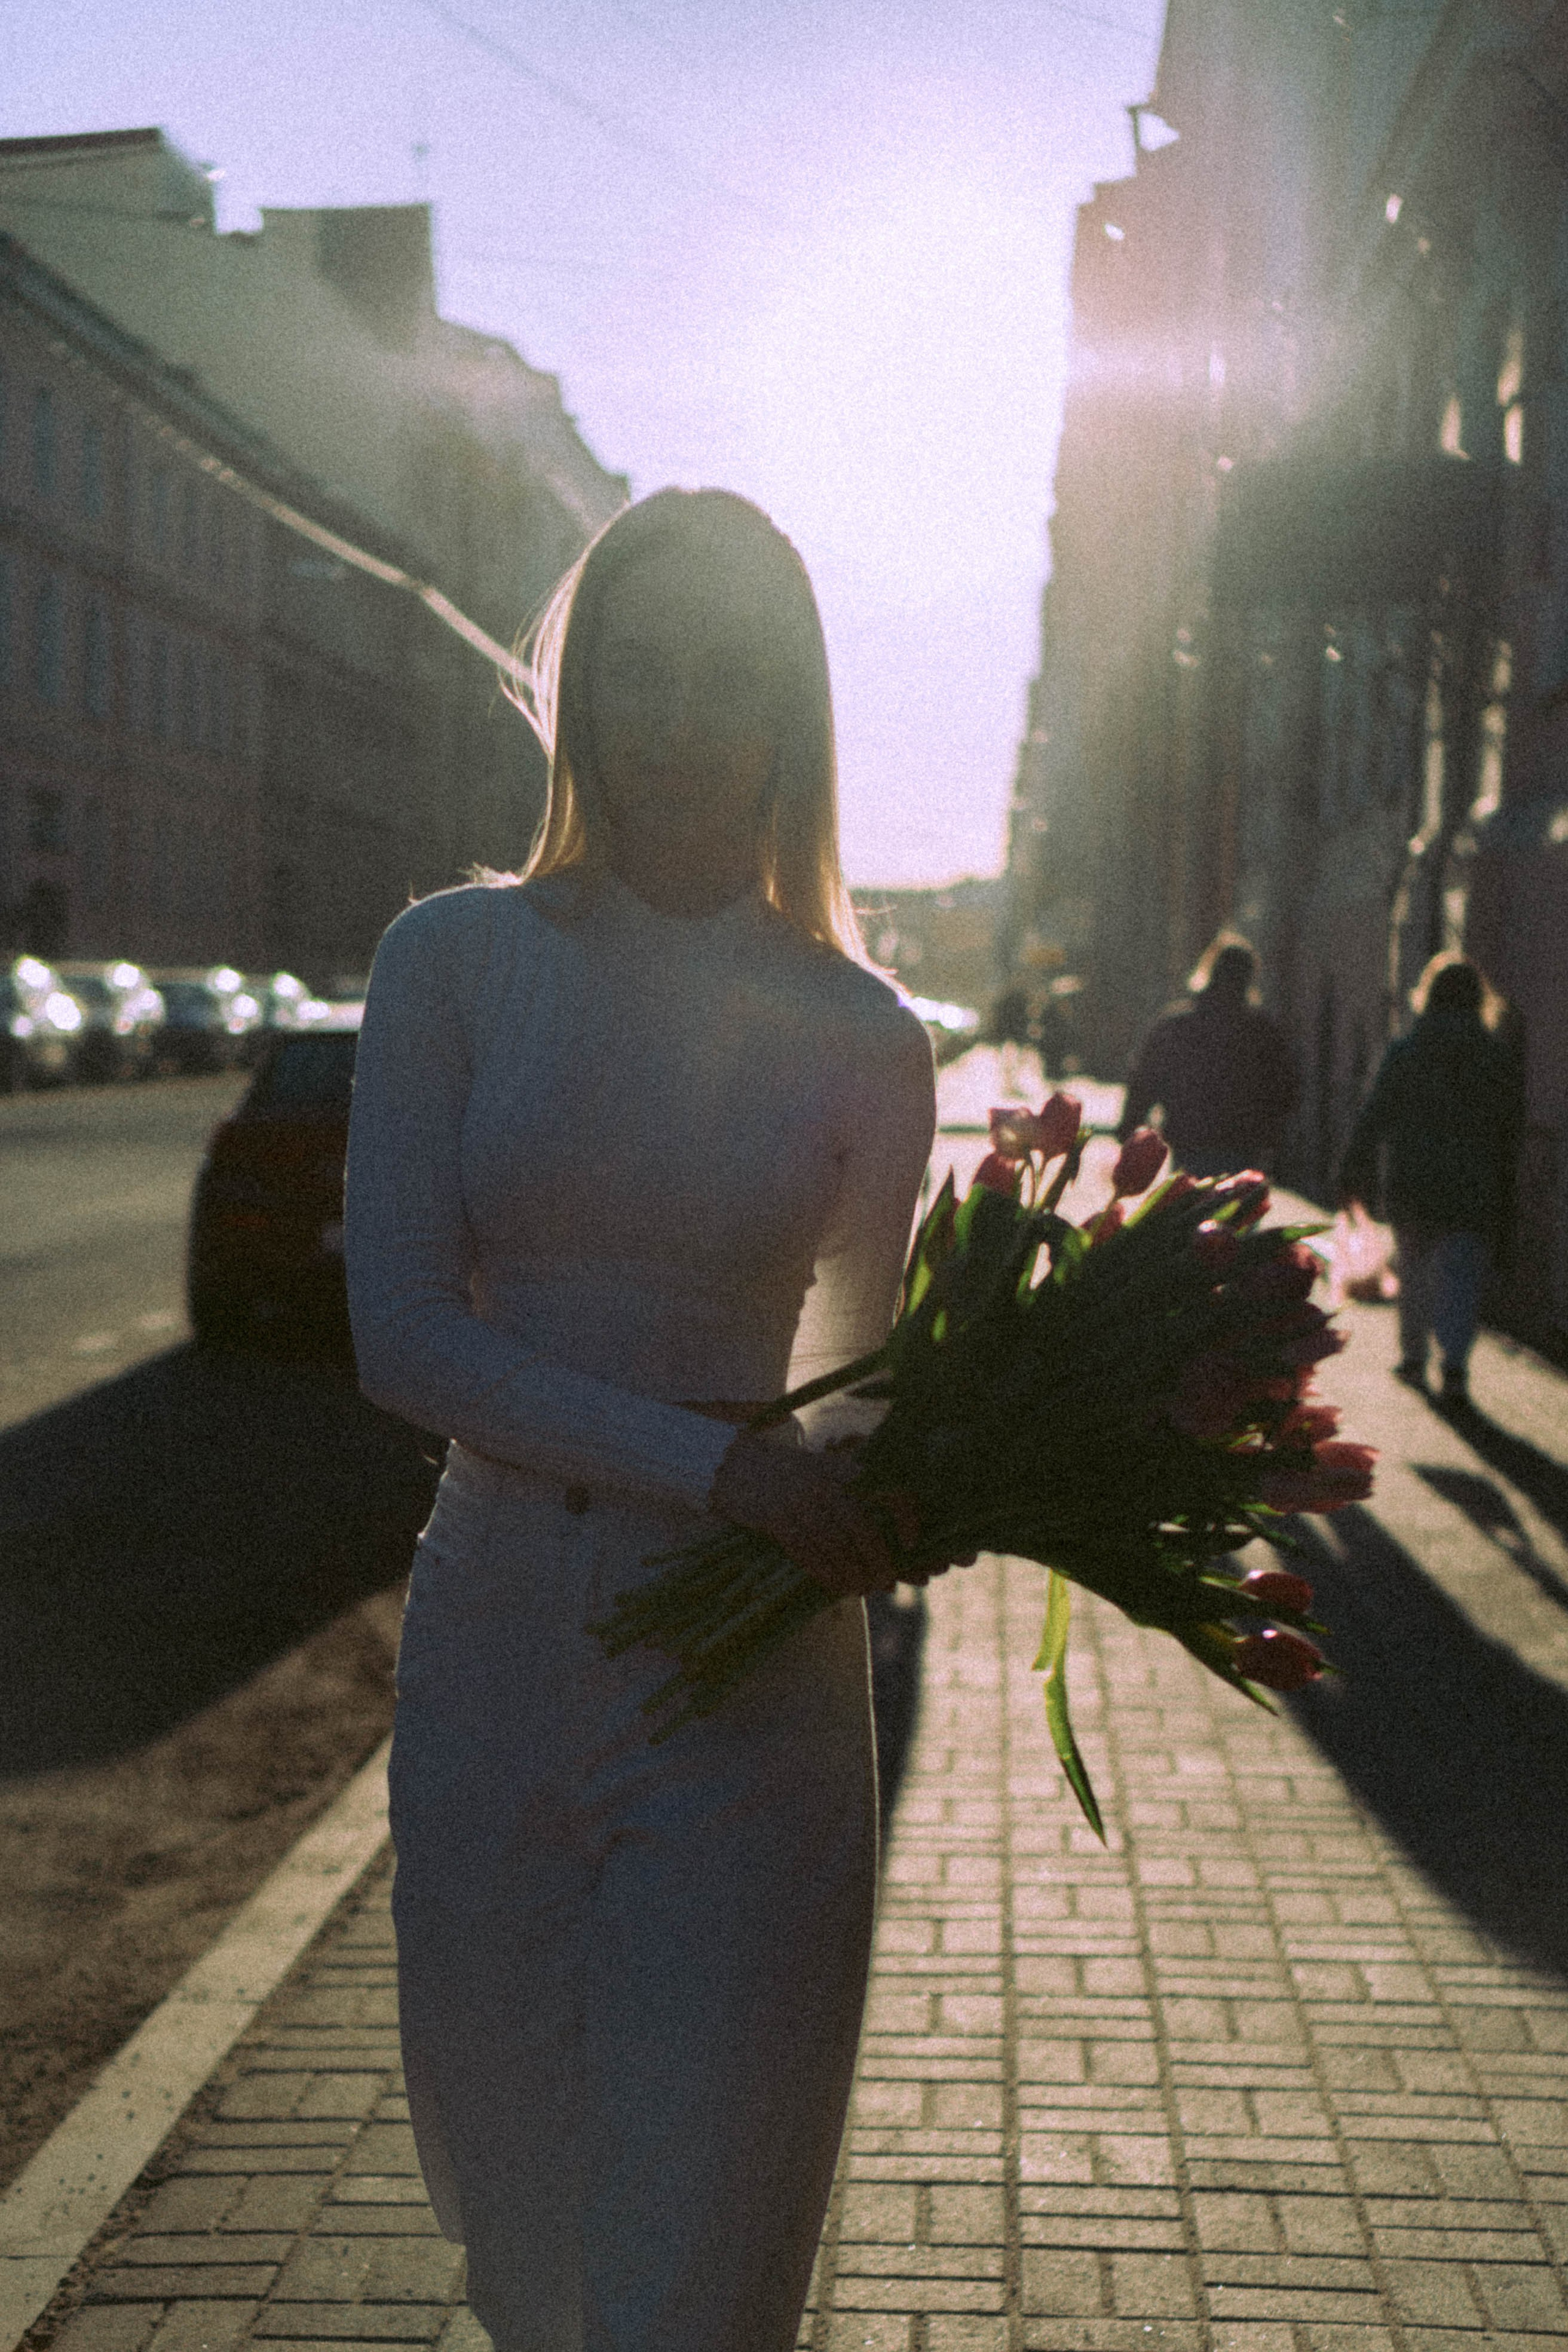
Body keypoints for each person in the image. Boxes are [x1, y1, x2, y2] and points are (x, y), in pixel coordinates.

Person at [344, 488, 968, 2352]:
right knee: (521, 2241)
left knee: (706, 2262)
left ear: (794, 714)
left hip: (753, 1693)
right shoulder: (452, 961)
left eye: (730, 678)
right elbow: (401, 1336)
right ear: (578, 691)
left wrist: (968, 1452)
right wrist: (720, 1461)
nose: (683, 720)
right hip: (497, 1647)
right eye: (644, 671)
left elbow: (858, 1402)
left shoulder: (866, 1030)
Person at [1338, 952, 1523, 1404]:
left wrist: (1353, 1166)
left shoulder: (1407, 1052)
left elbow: (1375, 1114)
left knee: (1416, 1272)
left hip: (1415, 1183)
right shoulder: (1496, 1057)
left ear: (1429, 996)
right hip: (1474, 1185)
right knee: (1462, 1276)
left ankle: (1413, 1357)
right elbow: (1509, 1127)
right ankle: (1455, 1366)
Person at [1118, 933, 1299, 1177]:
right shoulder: (1262, 1031)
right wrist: (1269, 1136)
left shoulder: (1177, 1024)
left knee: (1191, 1210)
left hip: (1190, 1146)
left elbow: (1145, 1079)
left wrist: (1130, 1126)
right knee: (1235, 1211)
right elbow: (1286, 1089)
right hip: (1242, 1151)